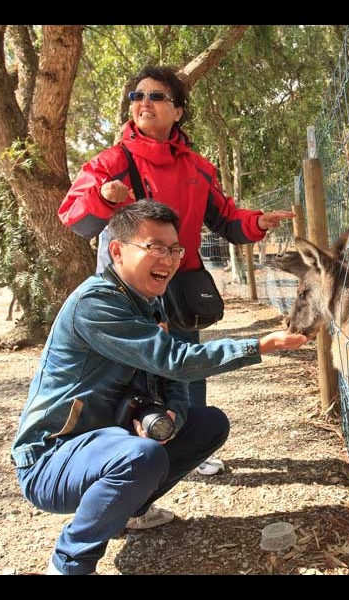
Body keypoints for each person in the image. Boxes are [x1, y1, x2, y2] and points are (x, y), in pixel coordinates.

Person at [12, 201, 308, 575]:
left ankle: (126, 512)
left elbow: (174, 380)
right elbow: (176, 360)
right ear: (117, 251)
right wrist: (260, 345)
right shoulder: (96, 303)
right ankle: (69, 563)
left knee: (209, 424)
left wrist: (172, 414)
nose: (167, 259)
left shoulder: (150, 303)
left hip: (105, 443)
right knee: (140, 458)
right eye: (154, 247)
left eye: (174, 249)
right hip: (52, 458)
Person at [58, 65, 295, 476]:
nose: (143, 103)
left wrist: (256, 223)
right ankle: (124, 460)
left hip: (180, 284)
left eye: (156, 96)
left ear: (178, 111)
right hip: (126, 290)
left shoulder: (199, 168)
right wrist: (101, 194)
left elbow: (225, 219)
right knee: (126, 373)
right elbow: (74, 216)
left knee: (187, 364)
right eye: (137, 96)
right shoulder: (109, 162)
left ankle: (188, 446)